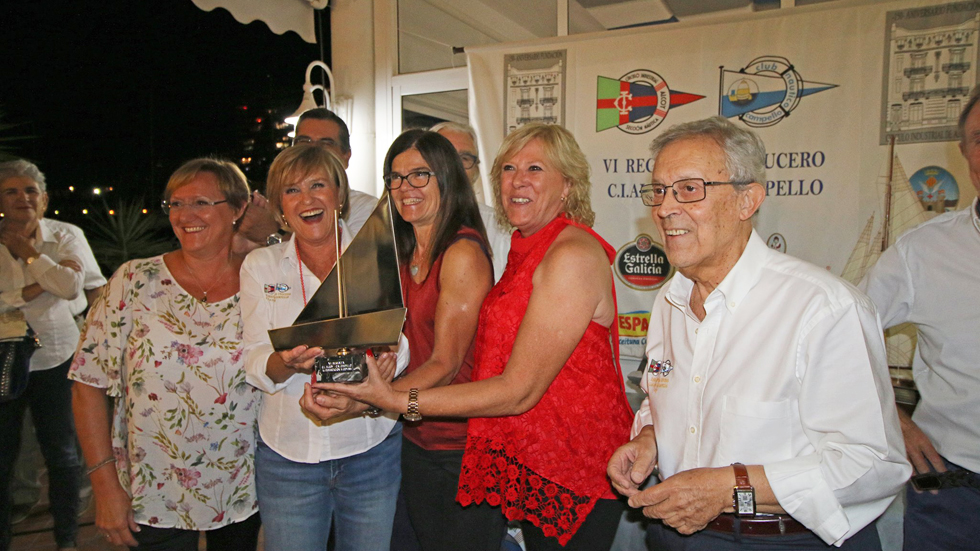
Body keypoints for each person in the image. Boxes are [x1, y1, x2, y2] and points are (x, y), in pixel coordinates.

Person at [317, 123, 634, 550]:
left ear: (568, 185)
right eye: (507, 168)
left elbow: (517, 390)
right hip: (529, 455)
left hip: (573, 463)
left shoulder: (571, 254)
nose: (517, 180)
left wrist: (393, 399)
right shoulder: (528, 247)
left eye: (535, 168)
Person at [607, 117, 911, 550]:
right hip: (673, 534)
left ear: (747, 199)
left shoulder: (823, 306)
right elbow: (679, 405)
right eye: (658, 190)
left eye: (689, 189)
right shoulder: (670, 301)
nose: (665, 207)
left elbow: (873, 465)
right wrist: (651, 438)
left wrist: (730, 488)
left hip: (785, 540)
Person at [301, 130, 499, 550]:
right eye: (395, 177)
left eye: (419, 175)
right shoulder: (402, 250)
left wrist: (369, 399)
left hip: (461, 448)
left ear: (446, 178)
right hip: (413, 437)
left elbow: (445, 363)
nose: (404, 188)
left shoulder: (461, 252)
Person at [70, 158, 261, 550]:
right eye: (175, 204)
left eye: (201, 202)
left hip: (247, 490)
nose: (185, 215)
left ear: (238, 208)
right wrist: (104, 485)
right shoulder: (133, 281)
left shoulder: (264, 279)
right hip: (152, 493)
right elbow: (87, 383)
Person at [239, 144, 408, 551]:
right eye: (292, 190)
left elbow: (403, 338)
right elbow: (254, 359)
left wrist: (391, 359)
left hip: (371, 448)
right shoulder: (260, 266)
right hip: (287, 457)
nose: (308, 199)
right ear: (280, 205)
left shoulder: (377, 253)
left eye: (318, 185)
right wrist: (285, 362)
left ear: (340, 194)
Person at [859, 85, 980, 551]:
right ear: (964, 151)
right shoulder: (921, 253)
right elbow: (837, 338)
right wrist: (892, 418)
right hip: (955, 497)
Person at [0, 159, 86, 551]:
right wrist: (38, 288)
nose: (23, 198)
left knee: (63, 454)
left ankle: (66, 539)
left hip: (57, 356)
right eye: (11, 191)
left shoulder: (67, 235)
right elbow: (59, 283)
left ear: (45, 198)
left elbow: (70, 287)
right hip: (4, 361)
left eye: (31, 190)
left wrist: (27, 252)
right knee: (3, 456)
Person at [431, 121, 511, 282]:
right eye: (446, 157)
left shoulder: (499, 228)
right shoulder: (403, 222)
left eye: (465, 158)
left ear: (476, 169)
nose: (456, 167)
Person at [293, 108, 379, 234]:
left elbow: (350, 251)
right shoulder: (280, 204)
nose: (312, 151)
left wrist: (274, 231)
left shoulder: (369, 208)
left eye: (326, 144)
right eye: (304, 142)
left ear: (346, 156)